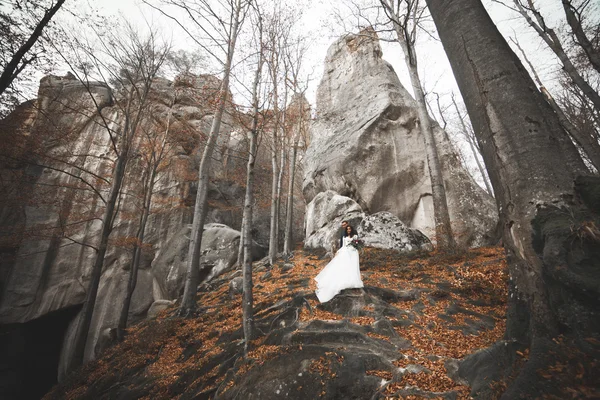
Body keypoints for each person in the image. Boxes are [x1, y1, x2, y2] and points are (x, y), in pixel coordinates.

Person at [315, 225, 364, 303]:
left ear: (351, 229)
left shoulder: (354, 236)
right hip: (345, 252)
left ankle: (353, 280)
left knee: (352, 266)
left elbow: (357, 244)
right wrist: (338, 251)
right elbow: (343, 246)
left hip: (353, 253)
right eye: (347, 229)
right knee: (344, 266)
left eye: (349, 229)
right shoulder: (344, 237)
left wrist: (356, 247)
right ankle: (345, 280)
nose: (348, 230)